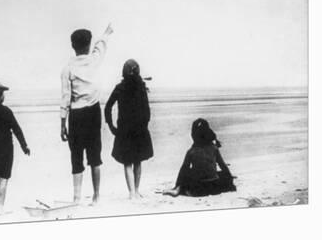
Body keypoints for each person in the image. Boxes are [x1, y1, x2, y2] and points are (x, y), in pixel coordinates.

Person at [60, 23, 113, 205]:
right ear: (88, 45)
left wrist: (62, 125)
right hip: (93, 113)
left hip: (76, 116)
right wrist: (106, 33)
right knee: (95, 155)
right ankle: (97, 196)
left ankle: (76, 198)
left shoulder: (67, 68)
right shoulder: (93, 60)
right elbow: (101, 48)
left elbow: (65, 98)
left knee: (76, 156)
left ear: (73, 46)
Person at [104, 59, 153, 199]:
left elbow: (107, 107)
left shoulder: (120, 87)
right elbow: (147, 110)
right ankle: (136, 191)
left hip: (124, 130)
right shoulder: (142, 87)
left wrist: (111, 126)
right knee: (138, 161)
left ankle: (132, 193)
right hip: (140, 129)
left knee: (127, 162)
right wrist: (145, 125)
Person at [0, 79, 30, 215]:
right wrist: (24, 146)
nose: (4, 95)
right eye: (2, 93)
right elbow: (16, 129)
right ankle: (0, 208)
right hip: (5, 148)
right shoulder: (6, 111)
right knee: (3, 178)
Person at [163, 118, 236, 197]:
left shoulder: (191, 151)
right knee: (221, 174)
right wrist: (230, 178)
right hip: (213, 186)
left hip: (198, 187)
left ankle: (177, 189)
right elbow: (223, 165)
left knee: (187, 170)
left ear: (194, 135)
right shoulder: (214, 148)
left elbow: (183, 170)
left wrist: (178, 184)